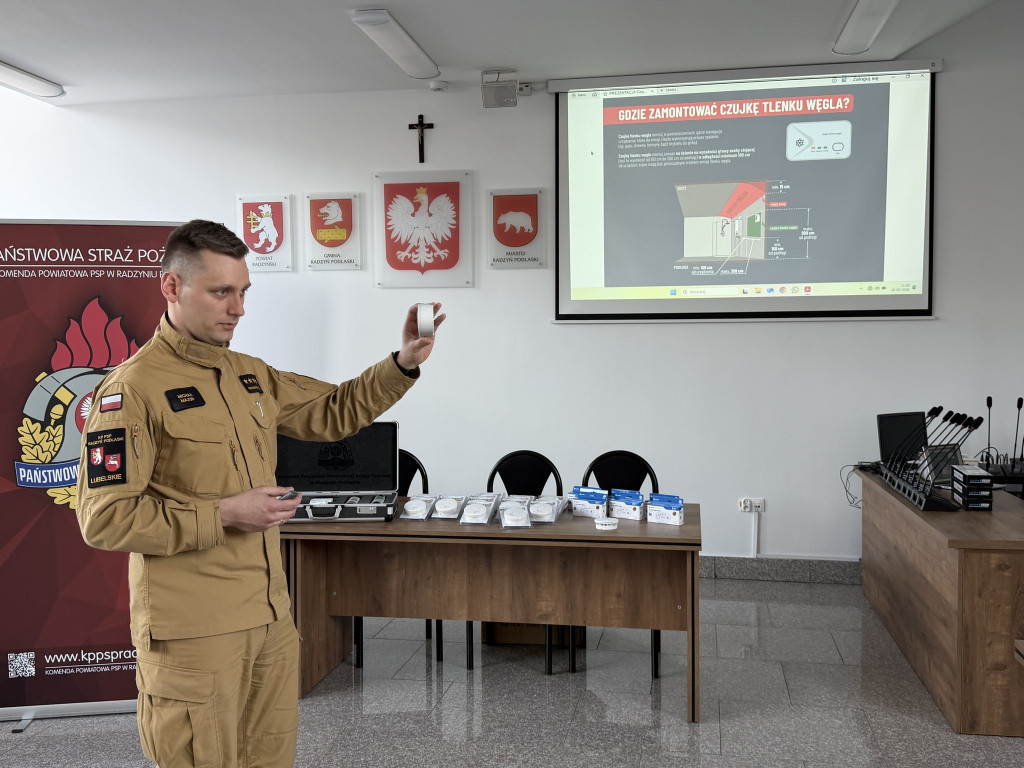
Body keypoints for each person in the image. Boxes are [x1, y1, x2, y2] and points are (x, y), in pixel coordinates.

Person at [76, 219, 443, 768]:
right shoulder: (131, 390)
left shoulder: (249, 376)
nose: (238, 308)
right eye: (221, 291)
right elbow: (104, 518)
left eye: (243, 292)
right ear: (171, 287)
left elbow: (334, 410)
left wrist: (401, 366)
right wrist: (224, 513)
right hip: (193, 633)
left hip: (269, 618)